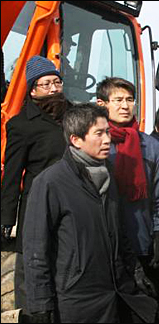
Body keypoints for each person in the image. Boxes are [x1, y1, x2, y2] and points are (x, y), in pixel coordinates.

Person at [22, 103, 157, 323]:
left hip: (115, 294)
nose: (107, 140)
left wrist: (136, 273)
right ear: (76, 140)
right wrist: (40, 306)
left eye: (107, 132)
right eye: (99, 134)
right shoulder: (50, 183)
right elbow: (36, 250)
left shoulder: (109, 176)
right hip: (76, 301)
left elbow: (119, 232)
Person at [1, 55, 71, 315]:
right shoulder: (21, 125)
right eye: (47, 84)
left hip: (70, 204)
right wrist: (6, 218)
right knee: (31, 270)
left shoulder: (74, 117)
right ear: (32, 90)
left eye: (57, 82)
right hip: (35, 206)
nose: (54, 88)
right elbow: (12, 174)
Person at [96, 77, 159, 322]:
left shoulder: (150, 146)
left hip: (142, 240)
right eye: (118, 100)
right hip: (106, 246)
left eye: (130, 100)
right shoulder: (95, 144)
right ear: (102, 104)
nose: (125, 106)